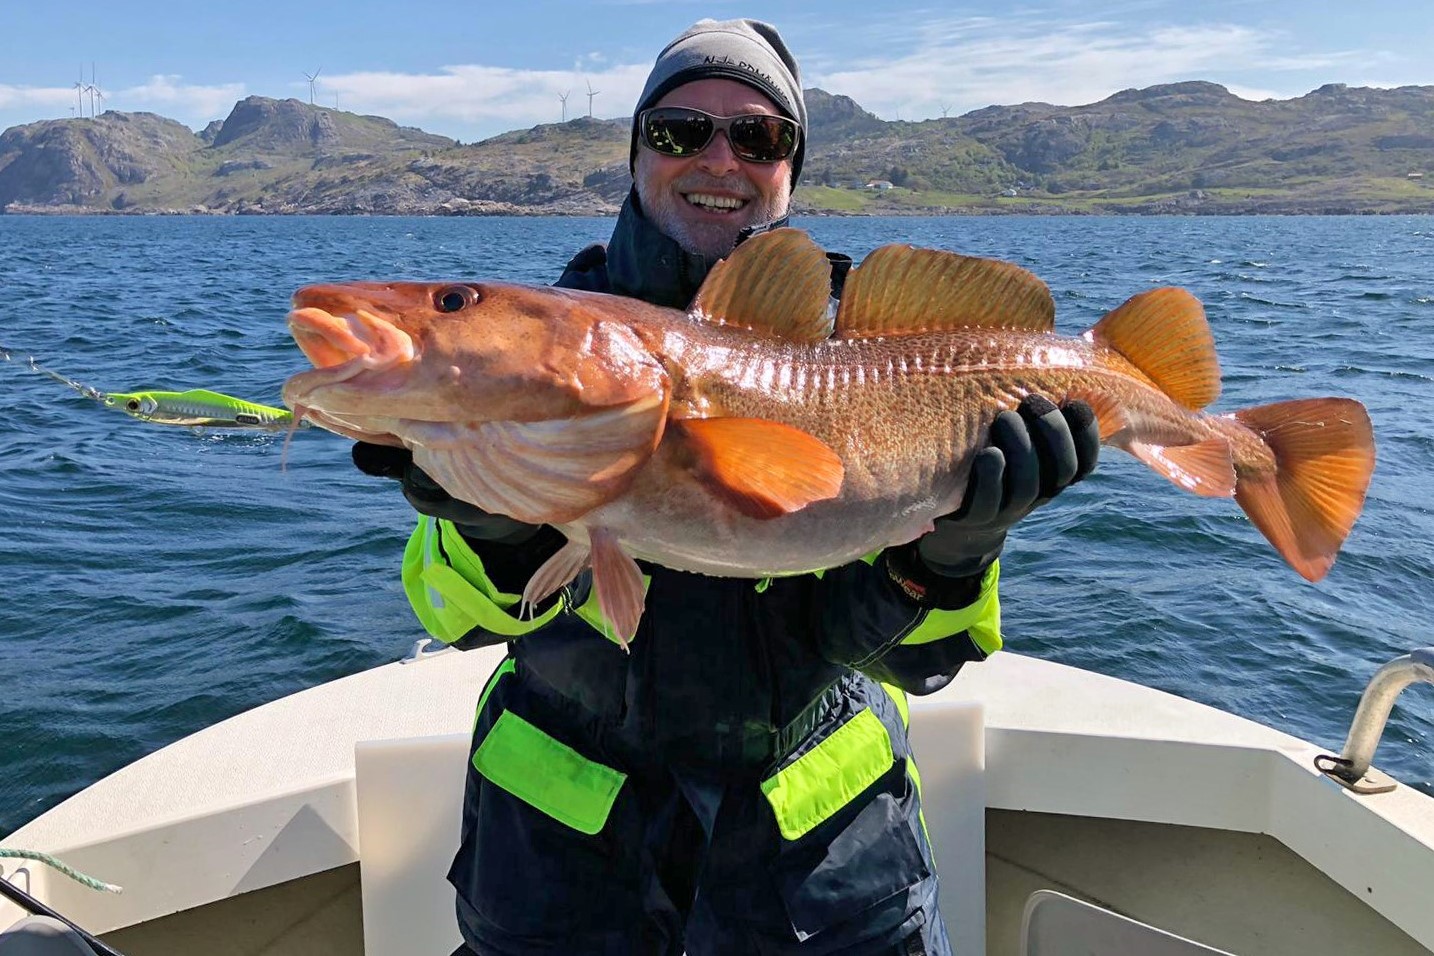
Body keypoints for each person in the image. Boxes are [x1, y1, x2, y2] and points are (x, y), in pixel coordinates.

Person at [354, 18, 1099, 956]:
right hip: (560, 883)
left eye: (759, 136)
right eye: (677, 131)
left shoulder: (874, 371)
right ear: (633, 155)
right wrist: (498, 530)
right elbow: (457, 611)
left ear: (791, 169)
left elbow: (918, 662)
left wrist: (951, 557)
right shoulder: (525, 352)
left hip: (825, 884)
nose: (720, 158)